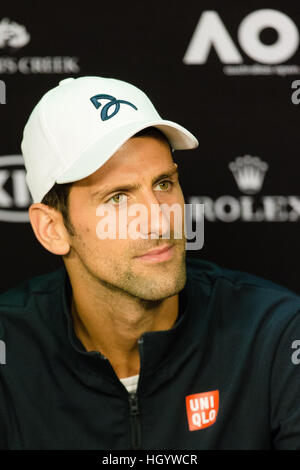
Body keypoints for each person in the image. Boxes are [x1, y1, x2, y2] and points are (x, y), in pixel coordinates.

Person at [0, 76, 300, 450]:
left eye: (163, 184)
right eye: (117, 198)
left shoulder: (275, 334)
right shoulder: (9, 352)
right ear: (52, 228)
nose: (160, 221)